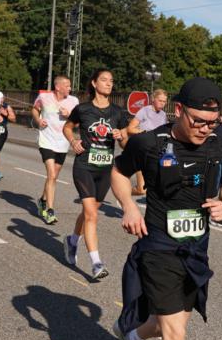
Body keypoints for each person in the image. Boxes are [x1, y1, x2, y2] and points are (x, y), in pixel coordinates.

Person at [111, 77, 222, 340]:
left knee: (171, 324)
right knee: (175, 335)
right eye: (198, 120)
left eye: (212, 122)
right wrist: (128, 207)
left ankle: (132, 335)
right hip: (158, 249)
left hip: (196, 250)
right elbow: (119, 173)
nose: (205, 128)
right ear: (179, 110)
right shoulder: (149, 143)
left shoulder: (220, 146)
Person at [62, 69, 130, 280]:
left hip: (105, 170)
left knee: (89, 212)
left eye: (111, 80)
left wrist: (121, 137)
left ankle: (72, 240)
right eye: (104, 80)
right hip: (84, 166)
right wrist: (73, 141)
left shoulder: (118, 113)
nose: (109, 84)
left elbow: (126, 144)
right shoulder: (82, 109)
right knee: (91, 215)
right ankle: (96, 263)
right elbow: (67, 127)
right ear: (94, 83)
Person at [31, 75, 78, 224]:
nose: (70, 88)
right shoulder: (44, 97)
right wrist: (38, 120)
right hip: (46, 140)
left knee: (54, 176)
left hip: (63, 142)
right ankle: (50, 211)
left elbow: (77, 123)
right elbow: (35, 109)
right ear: (58, 87)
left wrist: (69, 115)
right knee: (51, 174)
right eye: (67, 85)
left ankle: (43, 200)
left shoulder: (73, 101)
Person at [126, 88, 169, 196]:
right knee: (141, 190)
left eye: (164, 101)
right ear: (153, 99)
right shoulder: (144, 111)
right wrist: (145, 132)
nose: (162, 103)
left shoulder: (163, 115)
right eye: (160, 100)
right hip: (142, 152)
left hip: (157, 153)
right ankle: (124, 192)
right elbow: (130, 129)